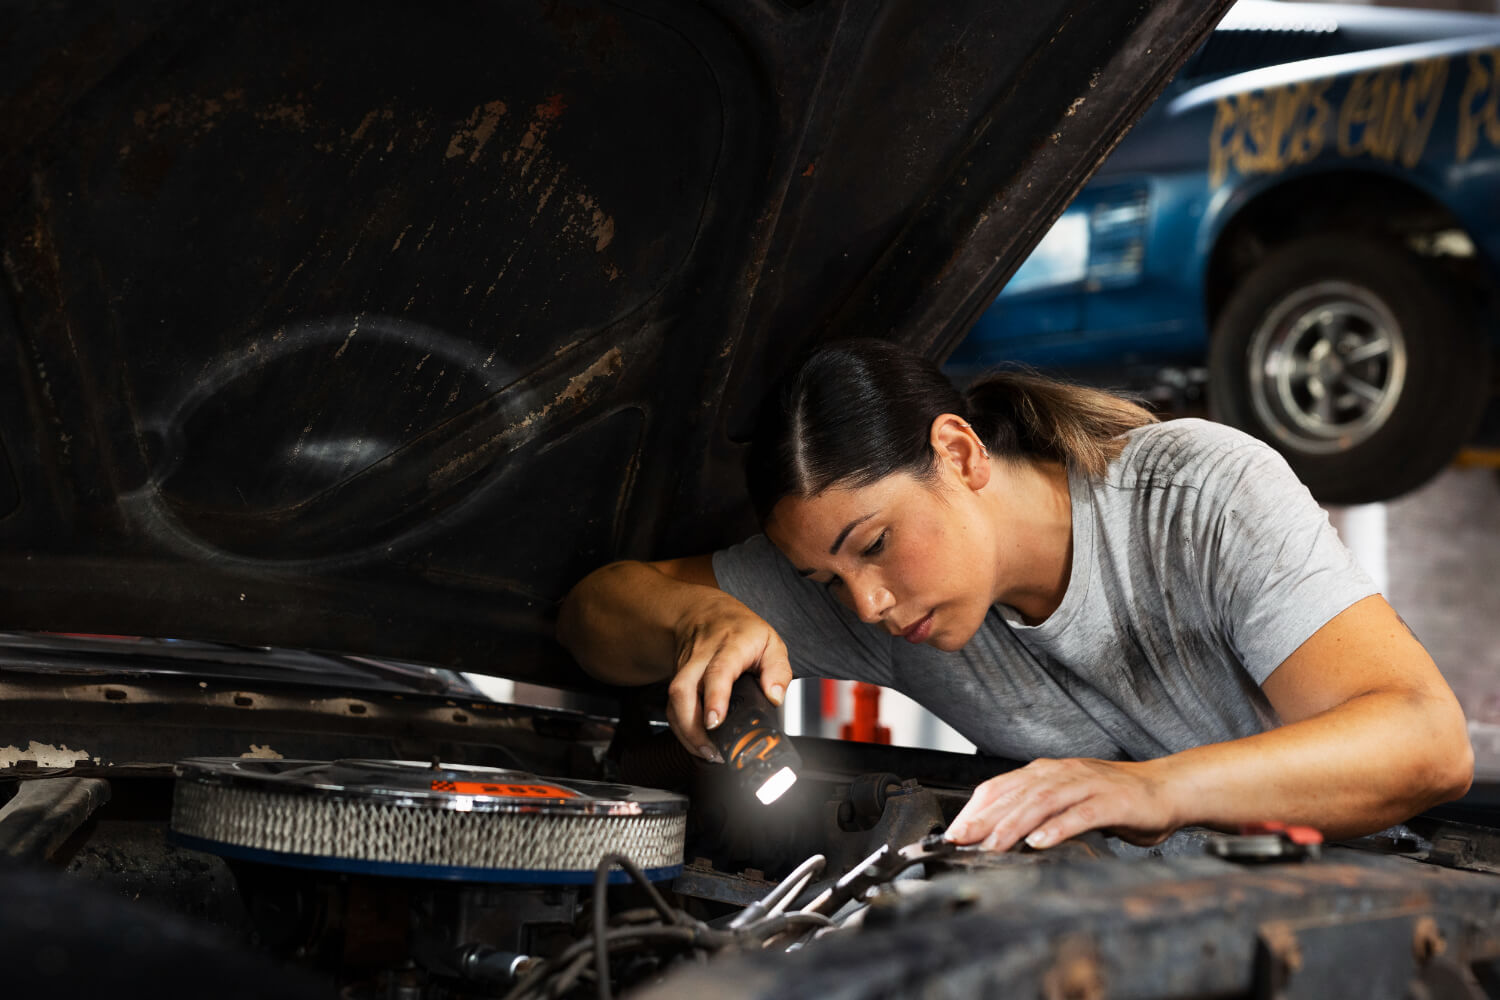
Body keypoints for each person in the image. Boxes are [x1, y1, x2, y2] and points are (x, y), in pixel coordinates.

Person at [557, 338, 1473, 852]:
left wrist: (1148, 790)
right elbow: (593, 612)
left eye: (874, 545)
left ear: (959, 454)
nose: (864, 603)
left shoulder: (1198, 494)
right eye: (824, 581)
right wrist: (701, 616)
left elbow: (1423, 744)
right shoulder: (879, 601)